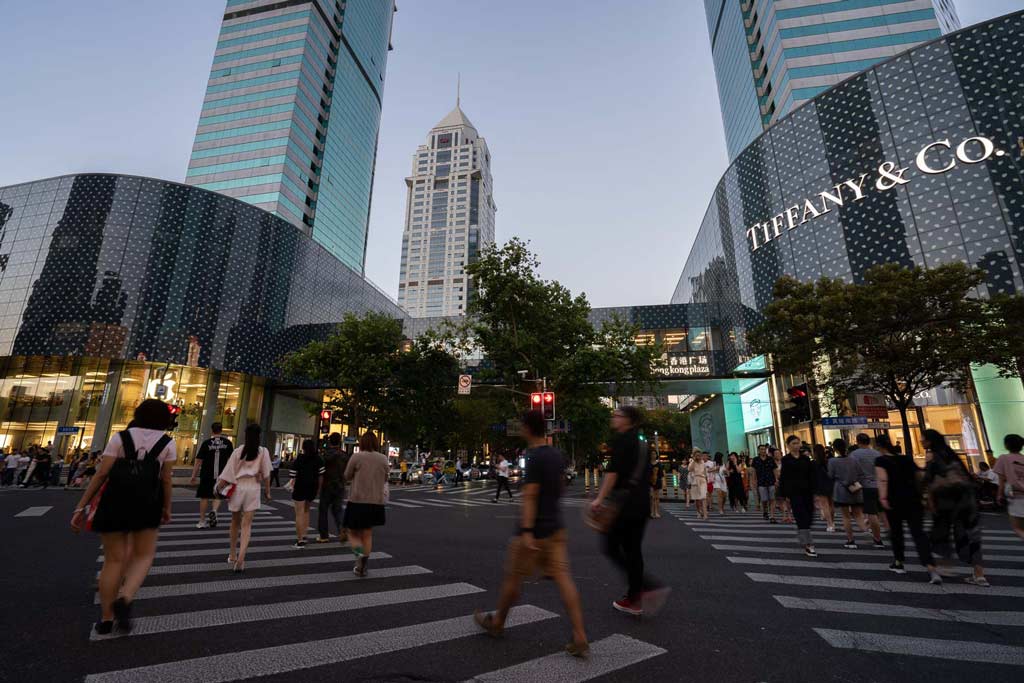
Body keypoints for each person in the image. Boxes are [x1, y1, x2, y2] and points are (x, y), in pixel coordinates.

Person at [474, 410, 589, 656]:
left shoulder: (534, 457)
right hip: (556, 527)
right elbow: (560, 487)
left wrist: (527, 530)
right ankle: (579, 635)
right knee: (564, 580)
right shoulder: (556, 454)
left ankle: (497, 623)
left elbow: (530, 495)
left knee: (513, 580)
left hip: (534, 531)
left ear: (527, 428)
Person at [70, 399, 176, 635]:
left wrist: (81, 506)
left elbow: (101, 475)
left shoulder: (120, 438)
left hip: (114, 501)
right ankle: (126, 598)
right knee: (144, 555)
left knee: (113, 561)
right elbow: (166, 479)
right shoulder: (168, 443)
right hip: (148, 503)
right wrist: (167, 507)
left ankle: (106, 619)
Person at [591, 406, 668, 616]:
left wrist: (599, 499)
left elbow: (612, 473)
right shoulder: (643, 443)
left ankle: (646, 587)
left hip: (625, 505)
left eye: (618, 415)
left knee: (610, 547)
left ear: (628, 420)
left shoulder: (622, 440)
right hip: (641, 503)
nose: (614, 418)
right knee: (633, 550)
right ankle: (635, 598)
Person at [923, 429, 988, 586]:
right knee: (971, 537)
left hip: (946, 503)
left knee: (941, 535)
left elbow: (929, 482)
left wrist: (929, 502)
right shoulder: (952, 455)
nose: (921, 442)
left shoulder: (933, 456)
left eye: (923, 439)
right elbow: (967, 477)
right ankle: (979, 575)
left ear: (930, 441)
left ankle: (944, 566)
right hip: (967, 501)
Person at [874, 433, 941, 582]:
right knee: (919, 534)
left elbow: (882, 479)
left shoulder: (881, 460)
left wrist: (883, 497)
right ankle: (931, 568)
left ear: (879, 447)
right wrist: (923, 495)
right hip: (913, 499)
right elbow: (920, 476)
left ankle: (899, 562)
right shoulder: (906, 458)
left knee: (896, 532)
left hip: (893, 500)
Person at [218, 423, 272, 573]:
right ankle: (241, 558)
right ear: (259, 436)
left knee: (235, 522)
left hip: (238, 487)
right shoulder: (263, 452)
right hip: (253, 487)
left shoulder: (238, 451)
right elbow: (266, 474)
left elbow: (228, 472)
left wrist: (219, 487)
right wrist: (267, 492)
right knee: (247, 524)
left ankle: (232, 554)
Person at [343, 432, 389, 577]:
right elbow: (386, 477)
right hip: (376, 501)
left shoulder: (357, 456)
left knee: (352, 532)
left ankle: (359, 556)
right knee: (367, 533)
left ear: (362, 443)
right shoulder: (383, 458)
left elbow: (347, 475)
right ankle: (364, 562)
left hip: (357, 500)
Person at [189, 423, 234, 529]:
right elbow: (231, 460)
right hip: (221, 475)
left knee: (204, 497)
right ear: (221, 430)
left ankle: (202, 521)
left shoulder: (206, 443)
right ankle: (214, 511)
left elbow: (199, 461)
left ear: (212, 431)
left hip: (206, 474)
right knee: (217, 495)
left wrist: (193, 475)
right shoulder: (228, 443)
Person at [780, 437, 818, 557]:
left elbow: (812, 475)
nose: (796, 445)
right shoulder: (786, 460)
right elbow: (784, 477)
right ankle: (808, 544)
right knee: (801, 517)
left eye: (798, 443)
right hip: (794, 493)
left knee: (809, 516)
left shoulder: (805, 458)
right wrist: (785, 495)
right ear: (788, 445)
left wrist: (815, 492)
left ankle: (804, 536)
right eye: (794, 443)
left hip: (807, 491)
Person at [828, 439, 868, 549]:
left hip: (841, 490)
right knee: (858, 514)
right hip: (855, 488)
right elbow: (861, 474)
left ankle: (851, 540)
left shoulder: (832, 461)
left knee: (846, 516)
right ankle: (865, 531)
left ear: (835, 449)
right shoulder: (853, 460)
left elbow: (830, 476)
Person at [849, 433, 885, 548]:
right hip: (880, 485)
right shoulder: (877, 453)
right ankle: (889, 532)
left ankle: (877, 538)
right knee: (881, 512)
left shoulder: (854, 455)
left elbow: (852, 471)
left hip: (865, 486)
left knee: (871, 513)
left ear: (858, 441)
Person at [290, 439, 323, 548]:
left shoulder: (300, 458)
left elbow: (293, 474)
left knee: (299, 513)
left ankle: (300, 540)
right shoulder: (318, 459)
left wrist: (292, 483)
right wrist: (318, 489)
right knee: (306, 511)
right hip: (312, 488)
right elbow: (321, 475)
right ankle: (304, 535)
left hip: (300, 487)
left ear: (303, 448)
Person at [317, 432, 349, 544]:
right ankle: (341, 529)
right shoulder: (344, 455)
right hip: (340, 485)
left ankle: (324, 535)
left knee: (323, 510)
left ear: (330, 441)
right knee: (338, 510)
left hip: (327, 484)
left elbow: (320, 470)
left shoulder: (325, 454)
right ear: (340, 441)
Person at [994, 434, 1024, 540]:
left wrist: (999, 495)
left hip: (1016, 497)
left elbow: (1001, 480)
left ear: (1006, 445)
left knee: (1018, 528)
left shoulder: (1004, 458)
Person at [812, 444, 835, 532]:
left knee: (825, 505)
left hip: (820, 485)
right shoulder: (828, 461)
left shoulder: (814, 463)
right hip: (830, 484)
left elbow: (812, 476)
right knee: (831, 504)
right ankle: (832, 522)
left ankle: (830, 524)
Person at [753, 444, 777, 523]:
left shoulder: (770, 459)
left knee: (772, 499)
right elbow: (754, 471)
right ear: (759, 451)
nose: (763, 451)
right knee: (764, 500)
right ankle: (765, 511)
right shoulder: (755, 460)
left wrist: (776, 479)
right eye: (761, 449)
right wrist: (754, 481)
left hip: (771, 481)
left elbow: (774, 469)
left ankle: (772, 516)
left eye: (764, 449)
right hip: (761, 482)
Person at [688, 450, 709, 520]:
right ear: (694, 456)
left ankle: (705, 514)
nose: (698, 457)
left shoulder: (703, 462)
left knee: (703, 497)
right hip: (695, 481)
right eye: (696, 455)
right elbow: (689, 469)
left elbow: (705, 472)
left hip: (702, 480)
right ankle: (698, 512)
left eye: (699, 455)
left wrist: (706, 480)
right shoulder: (692, 462)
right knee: (697, 499)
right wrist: (693, 461)